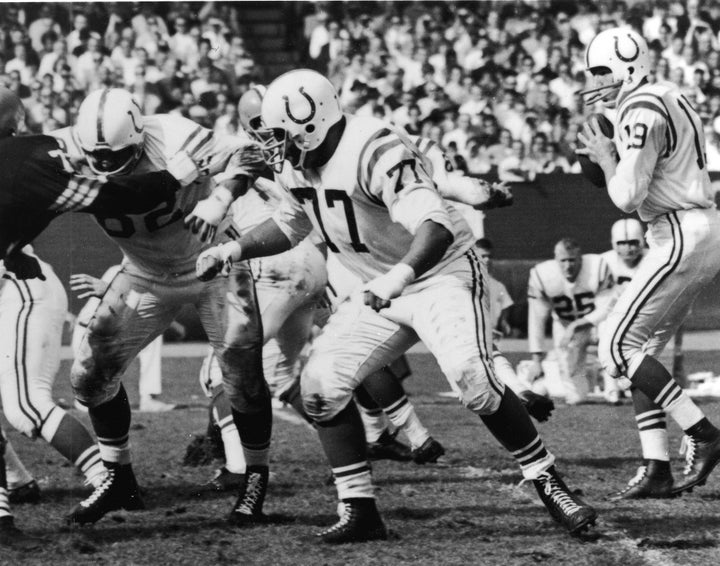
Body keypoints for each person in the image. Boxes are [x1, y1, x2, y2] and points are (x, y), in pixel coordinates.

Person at [197, 69, 597, 543]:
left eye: (277, 134)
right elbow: (290, 224)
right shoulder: (295, 161)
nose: (271, 147)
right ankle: (359, 508)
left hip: (437, 274)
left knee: (475, 381)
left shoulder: (375, 148)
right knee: (320, 387)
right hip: (377, 284)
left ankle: (549, 482)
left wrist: (397, 278)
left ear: (311, 123)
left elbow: (435, 226)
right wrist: (233, 250)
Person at [52, 87, 267, 526]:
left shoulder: (174, 136)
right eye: (101, 158)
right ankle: (119, 478)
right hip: (143, 271)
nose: (108, 167)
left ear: (138, 134)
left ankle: (255, 479)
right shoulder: (67, 148)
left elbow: (251, 155)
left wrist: (219, 198)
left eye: (118, 156)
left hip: (210, 261)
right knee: (88, 375)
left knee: (241, 375)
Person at [0, 86, 199, 547]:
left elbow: (112, 195)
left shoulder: (24, 160)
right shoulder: (31, 152)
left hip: (16, 286)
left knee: (26, 405)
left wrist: (175, 177)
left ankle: (105, 477)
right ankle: (10, 505)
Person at [578, 28, 720, 497]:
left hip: (678, 229)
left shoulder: (640, 106)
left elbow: (625, 196)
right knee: (642, 353)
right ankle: (657, 467)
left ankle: (703, 434)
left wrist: (603, 157)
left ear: (627, 63)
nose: (596, 80)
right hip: (693, 227)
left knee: (615, 348)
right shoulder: (665, 95)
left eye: (602, 69)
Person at [69, 266, 181, 413]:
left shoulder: (150, 273)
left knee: (152, 338)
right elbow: (130, 308)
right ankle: (85, 400)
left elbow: (147, 309)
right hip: (88, 336)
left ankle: (148, 399)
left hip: (112, 332)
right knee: (92, 400)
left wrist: (174, 324)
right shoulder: (124, 272)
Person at [527, 238, 613, 405]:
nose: (568, 266)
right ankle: (587, 375)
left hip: (596, 324)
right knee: (576, 397)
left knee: (609, 332)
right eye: (563, 261)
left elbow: (607, 309)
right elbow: (536, 319)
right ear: (555, 260)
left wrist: (576, 325)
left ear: (581, 258)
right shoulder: (541, 275)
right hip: (565, 326)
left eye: (572, 260)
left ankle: (613, 389)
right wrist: (536, 360)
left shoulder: (597, 267)